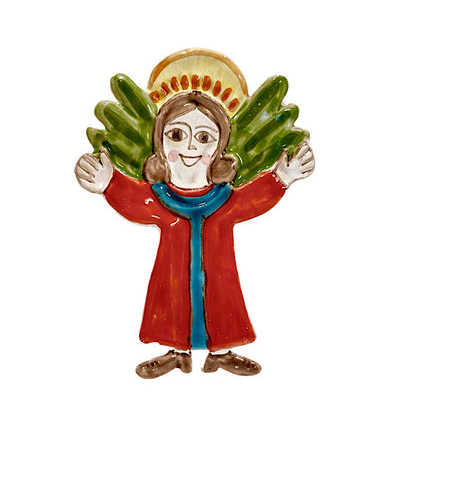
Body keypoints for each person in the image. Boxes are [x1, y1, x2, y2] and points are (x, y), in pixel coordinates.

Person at [75, 91, 314, 378]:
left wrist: (282, 177)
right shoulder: (160, 199)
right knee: (170, 302)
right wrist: (109, 183)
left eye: (203, 137)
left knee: (223, 302)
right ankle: (177, 353)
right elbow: (136, 203)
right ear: (161, 143)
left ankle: (221, 353)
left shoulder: (225, 200)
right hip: (172, 274)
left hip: (219, 275)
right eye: (176, 135)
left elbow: (253, 200)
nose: (190, 147)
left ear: (219, 148)